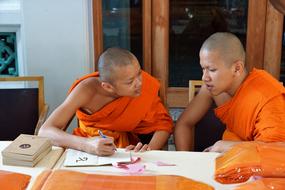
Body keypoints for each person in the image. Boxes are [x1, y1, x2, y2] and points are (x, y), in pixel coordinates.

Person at [39, 47, 173, 156]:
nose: (139, 83)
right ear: (108, 87)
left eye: (139, 74)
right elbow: (45, 131)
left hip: (129, 151)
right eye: (130, 82)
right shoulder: (86, 91)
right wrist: (87, 144)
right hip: (90, 149)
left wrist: (147, 150)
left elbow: (163, 125)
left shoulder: (143, 88)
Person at [174, 32, 285, 153]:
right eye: (203, 69)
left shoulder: (267, 97)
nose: (204, 78)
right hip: (231, 163)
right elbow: (183, 124)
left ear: (237, 68)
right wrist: (186, 161)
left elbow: (276, 151)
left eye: (212, 70)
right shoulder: (215, 89)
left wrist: (225, 147)